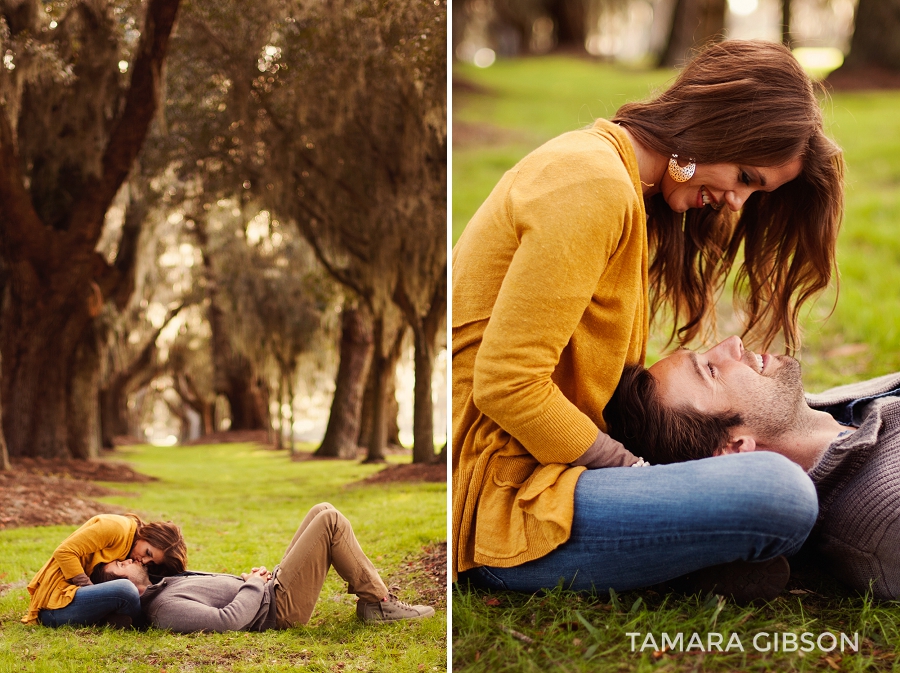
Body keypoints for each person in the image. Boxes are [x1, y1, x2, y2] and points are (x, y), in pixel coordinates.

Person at [452, 40, 843, 596]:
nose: (737, 203)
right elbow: (506, 384)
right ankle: (691, 554)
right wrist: (635, 472)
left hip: (556, 477)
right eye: (747, 178)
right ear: (720, 127)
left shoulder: (618, 183)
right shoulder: (592, 183)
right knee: (776, 495)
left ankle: (686, 555)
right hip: (509, 501)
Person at [604, 335, 900, 599]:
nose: (733, 342)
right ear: (735, 449)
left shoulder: (831, 410)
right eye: (711, 370)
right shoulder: (885, 511)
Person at [91, 503, 435, 632]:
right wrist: (253, 585)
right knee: (331, 521)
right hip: (278, 608)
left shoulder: (161, 584)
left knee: (321, 509)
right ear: (122, 588)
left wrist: (248, 580)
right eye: (121, 566)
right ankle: (378, 603)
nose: (130, 559)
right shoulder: (164, 609)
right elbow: (227, 621)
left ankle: (375, 601)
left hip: (270, 590)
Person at [23, 513, 187, 627]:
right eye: (147, 553)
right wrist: (89, 590)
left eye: (151, 561)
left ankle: (112, 619)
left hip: (73, 601)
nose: (143, 561)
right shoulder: (116, 528)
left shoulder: (130, 545)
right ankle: (143, 622)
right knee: (125, 589)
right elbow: (64, 552)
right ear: (147, 535)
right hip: (54, 607)